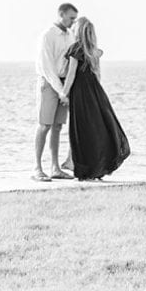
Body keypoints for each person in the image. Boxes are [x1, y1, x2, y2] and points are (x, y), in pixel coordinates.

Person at [57, 16, 131, 180]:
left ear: (78, 31)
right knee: (97, 128)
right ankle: (97, 167)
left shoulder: (76, 48)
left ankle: (84, 168)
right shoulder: (93, 51)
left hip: (80, 93)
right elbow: (97, 75)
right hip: (96, 92)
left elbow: (71, 75)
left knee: (81, 130)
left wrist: (64, 93)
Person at [33, 3, 79, 181]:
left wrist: (67, 89)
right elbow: (47, 68)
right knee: (44, 125)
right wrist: (61, 92)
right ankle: (37, 167)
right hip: (49, 83)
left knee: (58, 127)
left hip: (63, 85)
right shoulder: (48, 36)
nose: (73, 22)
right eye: (71, 18)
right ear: (61, 14)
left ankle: (55, 168)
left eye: (75, 19)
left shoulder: (70, 36)